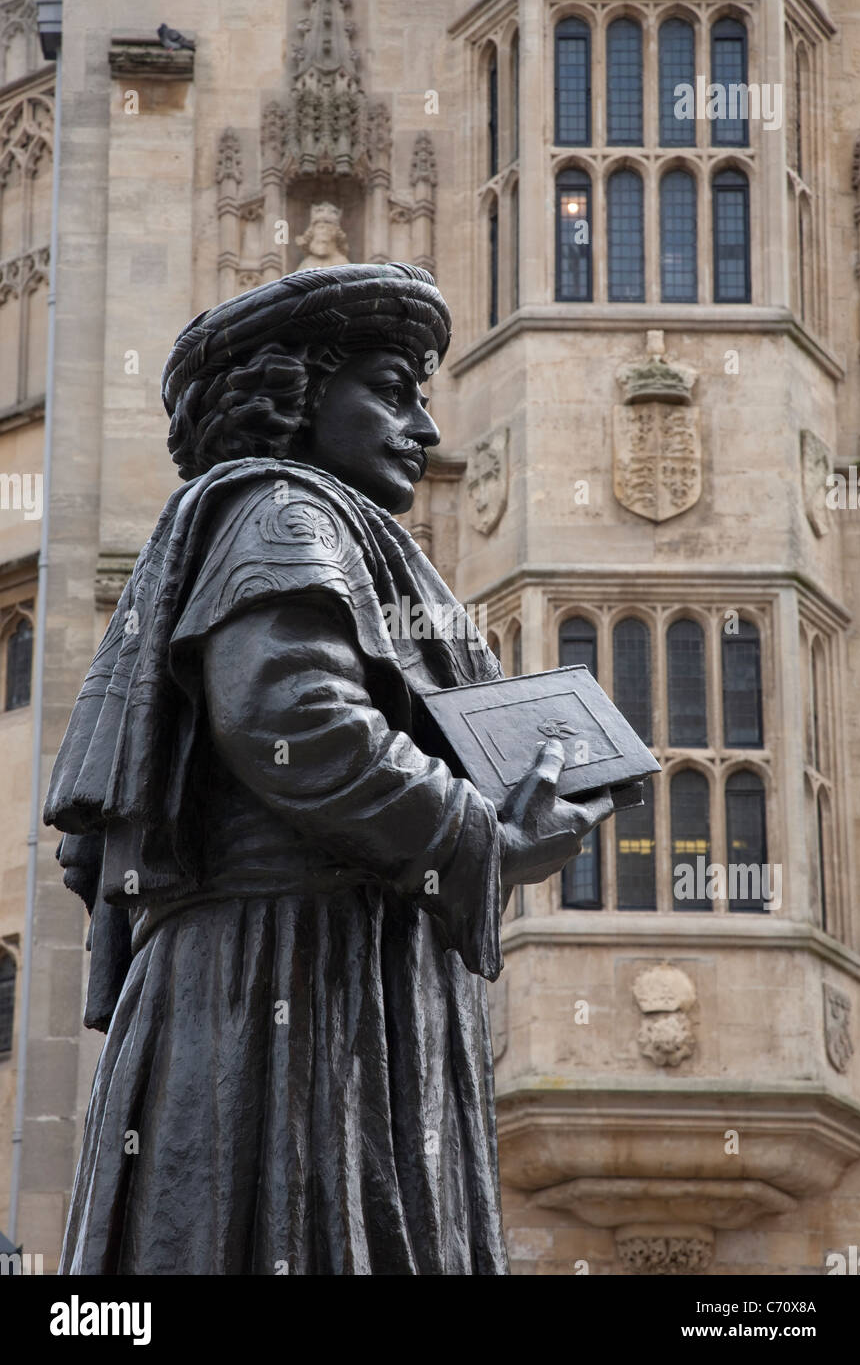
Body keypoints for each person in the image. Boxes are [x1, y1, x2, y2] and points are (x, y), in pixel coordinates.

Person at [45, 263, 613, 1275]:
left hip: (329, 962)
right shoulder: (281, 513)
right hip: (290, 968)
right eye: (391, 393)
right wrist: (481, 832)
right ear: (295, 398)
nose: (425, 429)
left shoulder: (311, 523)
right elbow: (292, 723)